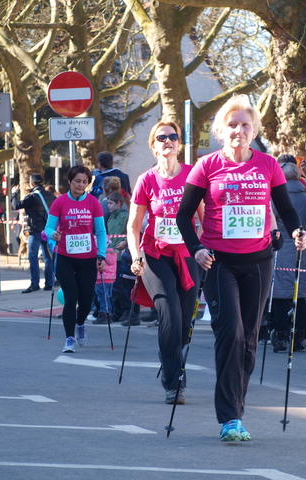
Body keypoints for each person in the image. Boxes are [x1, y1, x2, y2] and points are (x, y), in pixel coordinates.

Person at [176, 94, 306, 442]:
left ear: (254, 131)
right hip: (218, 261)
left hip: (259, 261)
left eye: (245, 125)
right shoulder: (206, 166)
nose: (238, 131)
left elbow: (286, 208)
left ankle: (237, 406)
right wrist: (196, 249)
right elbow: (183, 215)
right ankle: (229, 417)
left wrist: (298, 231)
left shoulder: (268, 165)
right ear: (221, 131)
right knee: (230, 333)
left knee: (249, 338)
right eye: (232, 125)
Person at [127, 120, 202, 405]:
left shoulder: (193, 176)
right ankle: (174, 383)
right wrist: (135, 256)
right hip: (155, 255)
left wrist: (205, 248)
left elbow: (205, 217)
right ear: (153, 146)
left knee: (183, 322)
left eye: (173, 137)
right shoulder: (147, 180)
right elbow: (134, 226)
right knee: (169, 314)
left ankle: (169, 353)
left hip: (188, 255)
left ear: (179, 144)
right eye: (162, 137)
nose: (168, 141)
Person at [45, 165, 107, 353]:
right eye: (77, 181)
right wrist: (53, 234)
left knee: (86, 301)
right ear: (70, 181)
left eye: (84, 182)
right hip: (65, 257)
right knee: (71, 298)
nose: (81, 185)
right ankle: (69, 338)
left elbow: (101, 231)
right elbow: (48, 228)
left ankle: (80, 323)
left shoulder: (93, 203)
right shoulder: (60, 202)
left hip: (88, 258)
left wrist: (102, 254)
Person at [268, 162, 306, 353]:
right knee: (300, 296)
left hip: (282, 249)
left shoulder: (276, 197)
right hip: (302, 249)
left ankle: (280, 335)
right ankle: (298, 337)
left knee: (280, 295)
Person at [12, 174, 55, 293]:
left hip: (35, 230)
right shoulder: (50, 195)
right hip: (47, 230)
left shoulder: (31, 196)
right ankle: (49, 283)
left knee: (33, 256)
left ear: (32, 183)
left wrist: (14, 193)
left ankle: (34, 284)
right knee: (48, 257)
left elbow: (16, 205)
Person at [93, 192, 129, 324]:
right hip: (111, 254)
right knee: (112, 288)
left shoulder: (125, 216)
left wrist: (124, 243)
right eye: (107, 202)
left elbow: (127, 233)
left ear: (118, 203)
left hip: (120, 254)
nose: (108, 205)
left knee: (119, 286)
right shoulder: (110, 218)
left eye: (110, 203)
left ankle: (123, 311)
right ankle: (115, 312)